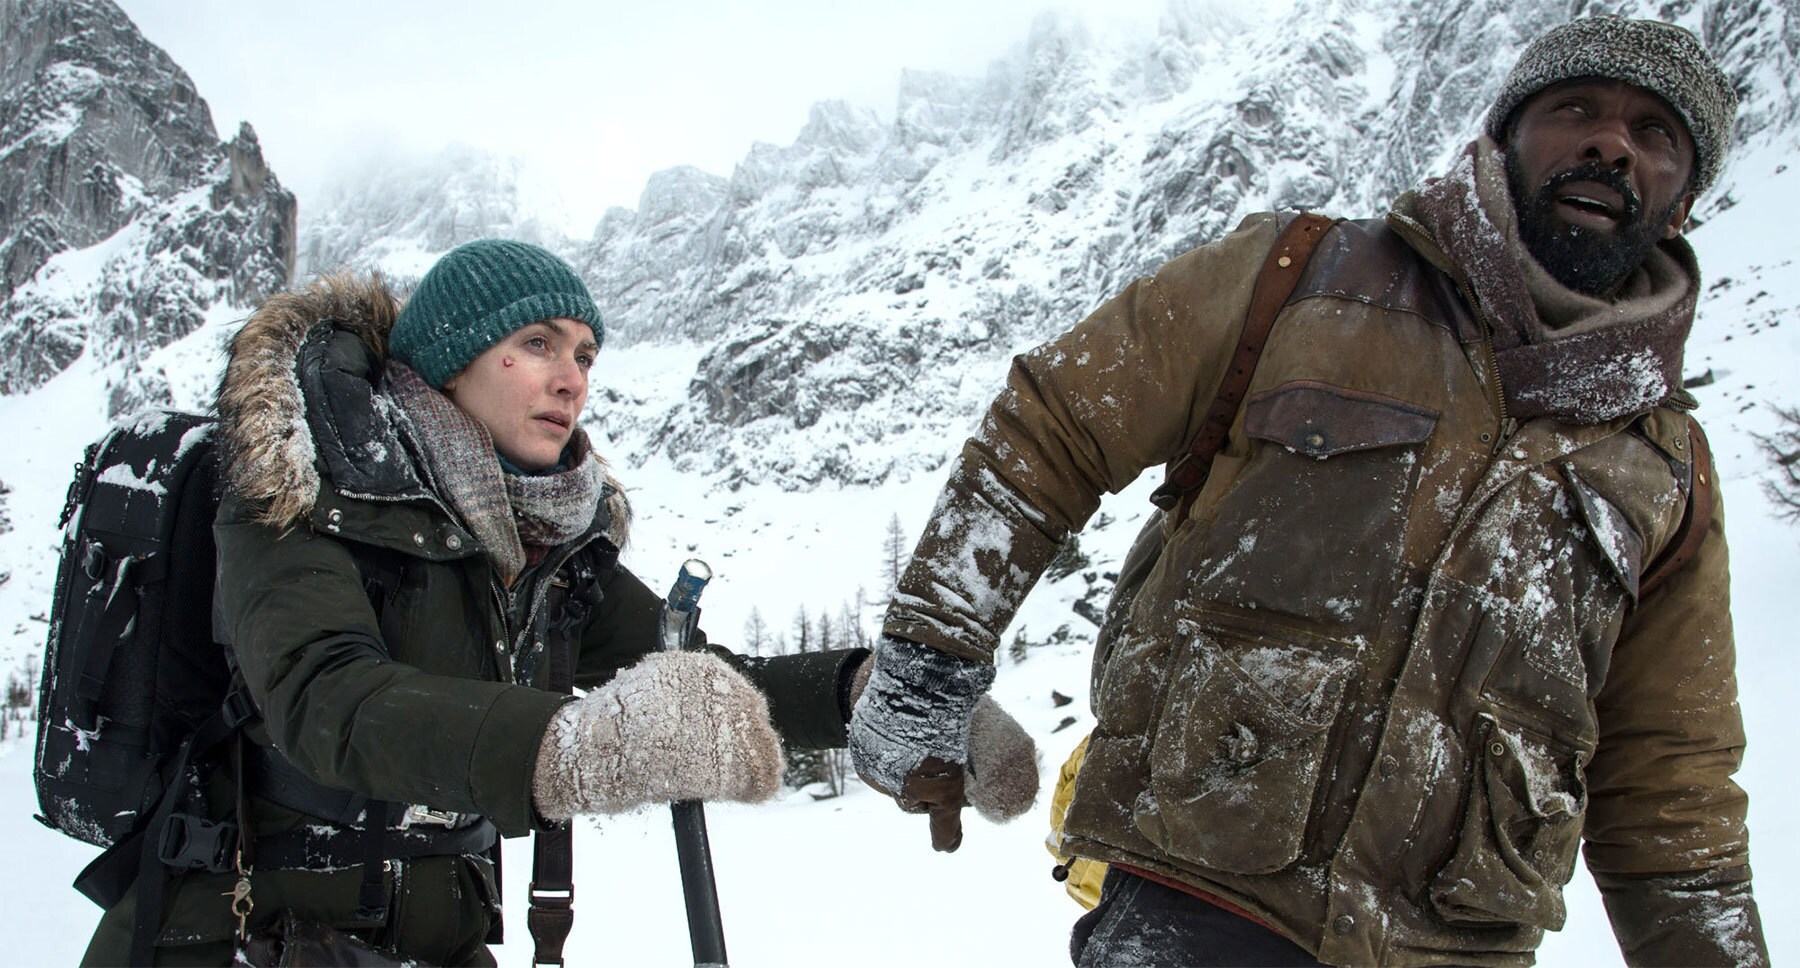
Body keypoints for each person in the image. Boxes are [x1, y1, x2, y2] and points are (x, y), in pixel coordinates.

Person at [850, 15, 1769, 967]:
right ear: (1499, 141)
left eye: (1655, 134)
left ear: (1686, 201)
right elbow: (1058, 423)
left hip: (1455, 949)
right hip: (1196, 903)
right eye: (1574, 108)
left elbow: (1673, 796)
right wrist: (928, 660)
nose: (1609, 142)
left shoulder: (1668, 474)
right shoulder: (1295, 278)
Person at [81, 239, 870, 965]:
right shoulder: (301, 484)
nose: (573, 379)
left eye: (585, 355)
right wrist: (575, 748)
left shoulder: (550, 546)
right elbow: (327, 697)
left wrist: (868, 699)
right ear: (451, 360)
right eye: (537, 344)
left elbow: (707, 684)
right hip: (230, 936)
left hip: (438, 944)